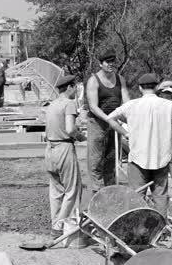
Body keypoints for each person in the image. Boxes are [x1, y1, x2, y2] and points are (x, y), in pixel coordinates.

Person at [107, 73, 172, 216]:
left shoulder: (132, 105)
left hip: (138, 158)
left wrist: (126, 133)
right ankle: (161, 228)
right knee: (160, 195)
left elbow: (110, 118)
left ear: (140, 88)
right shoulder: (169, 105)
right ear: (157, 87)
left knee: (137, 195)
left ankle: (137, 228)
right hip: (161, 158)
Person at [44, 75, 86, 238]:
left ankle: (55, 224)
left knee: (56, 190)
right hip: (63, 147)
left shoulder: (52, 105)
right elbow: (69, 129)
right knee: (72, 190)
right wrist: (79, 136)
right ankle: (62, 226)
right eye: (75, 87)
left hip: (49, 148)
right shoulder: (69, 104)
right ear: (69, 87)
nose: (75, 91)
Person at [85, 48, 130, 192]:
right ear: (100, 64)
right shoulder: (94, 80)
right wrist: (109, 119)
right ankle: (97, 192)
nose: (110, 64)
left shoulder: (120, 79)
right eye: (107, 62)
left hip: (114, 123)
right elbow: (93, 107)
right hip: (97, 123)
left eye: (112, 62)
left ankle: (110, 192)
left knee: (112, 158)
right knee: (96, 160)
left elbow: (127, 102)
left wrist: (129, 118)